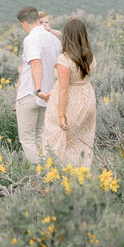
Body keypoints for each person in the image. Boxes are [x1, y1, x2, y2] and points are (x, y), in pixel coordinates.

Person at [43, 17, 97, 167]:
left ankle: (58, 175)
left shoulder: (65, 59)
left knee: (57, 139)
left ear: (67, 36)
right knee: (82, 140)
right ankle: (81, 172)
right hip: (87, 98)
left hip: (71, 101)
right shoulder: (89, 56)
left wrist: (61, 115)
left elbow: (64, 89)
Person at [14, 6, 62, 163]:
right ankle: (48, 172)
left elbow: (35, 63)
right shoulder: (53, 39)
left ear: (25, 24)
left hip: (32, 93)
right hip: (47, 94)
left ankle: (38, 176)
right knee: (40, 135)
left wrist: (37, 89)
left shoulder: (31, 39)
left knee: (27, 139)